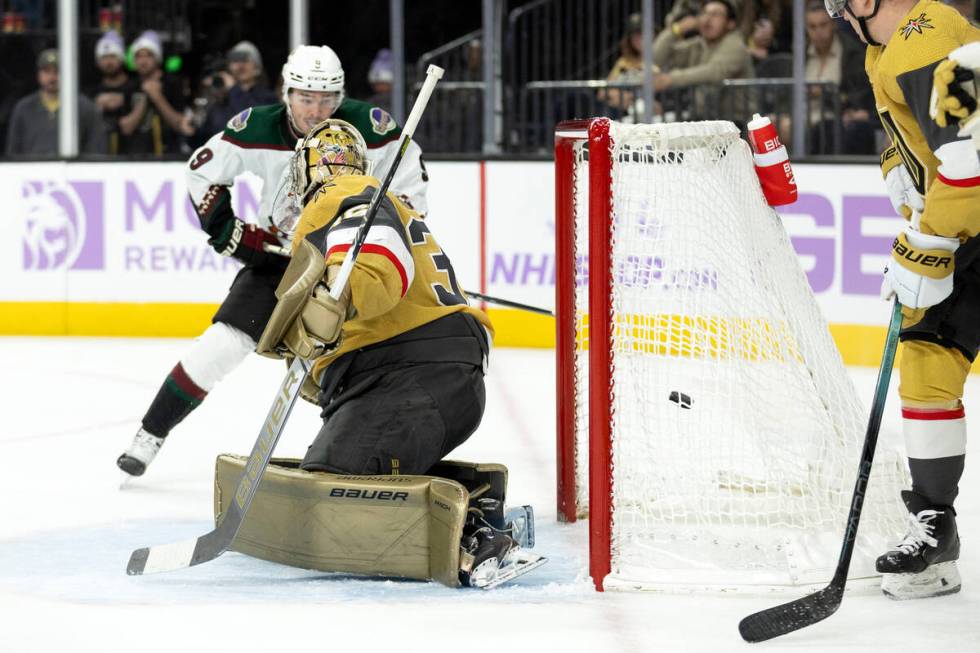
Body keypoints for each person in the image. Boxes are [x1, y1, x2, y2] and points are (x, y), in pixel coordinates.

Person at [116, 44, 428, 477]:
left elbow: (412, 193)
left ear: (340, 96)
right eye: (306, 97)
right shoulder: (258, 127)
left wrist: (367, 238)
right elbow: (200, 168)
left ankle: (360, 451)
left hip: (348, 265)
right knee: (221, 343)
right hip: (282, 262)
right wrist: (234, 235)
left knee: (359, 360)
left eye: (327, 99)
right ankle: (150, 434)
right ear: (287, 92)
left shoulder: (373, 129)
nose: (316, 111)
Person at [252, 118, 538, 588]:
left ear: (306, 171)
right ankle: (479, 499)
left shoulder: (339, 193)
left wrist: (344, 293)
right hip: (433, 377)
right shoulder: (381, 199)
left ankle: (475, 537)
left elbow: (378, 262)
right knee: (345, 475)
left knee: (332, 489)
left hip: (409, 377)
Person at [826, 0, 980, 599]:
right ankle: (937, 534)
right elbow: (913, 131)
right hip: (968, 228)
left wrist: (927, 245)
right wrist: (895, 161)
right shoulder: (884, 49)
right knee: (926, 356)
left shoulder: (929, 35)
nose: (834, 10)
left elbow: (970, 157)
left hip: (964, 220)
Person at [652, 0, 754, 119]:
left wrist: (671, 79)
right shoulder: (699, 45)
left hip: (737, 121)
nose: (707, 19)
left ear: (730, 23)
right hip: (705, 119)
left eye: (715, 14)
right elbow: (655, 58)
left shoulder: (736, 44)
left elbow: (714, 71)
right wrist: (675, 30)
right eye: (704, 13)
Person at [803, 1, 877, 154]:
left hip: (834, 121)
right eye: (812, 27)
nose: (818, 32)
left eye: (823, 25)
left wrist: (825, 93)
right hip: (801, 119)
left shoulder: (851, 54)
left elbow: (858, 96)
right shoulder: (800, 55)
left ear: (833, 24)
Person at [6, 49, 106, 156]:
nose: (52, 77)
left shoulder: (86, 108)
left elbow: (96, 151)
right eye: (46, 71)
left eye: (57, 72)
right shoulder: (23, 108)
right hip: (33, 172)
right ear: (38, 74)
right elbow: (13, 152)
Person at [127, 30, 191, 155]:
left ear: (157, 58)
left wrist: (157, 97)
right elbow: (126, 128)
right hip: (136, 158)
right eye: (138, 56)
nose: (143, 61)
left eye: (148, 55)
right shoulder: (130, 86)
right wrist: (146, 98)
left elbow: (181, 125)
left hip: (170, 155)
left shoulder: (172, 83)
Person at [87, 31, 141, 155]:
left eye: (113, 56)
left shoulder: (136, 88)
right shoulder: (92, 92)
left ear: (121, 58)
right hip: (100, 156)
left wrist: (125, 101)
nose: (108, 62)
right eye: (104, 57)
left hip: (133, 156)